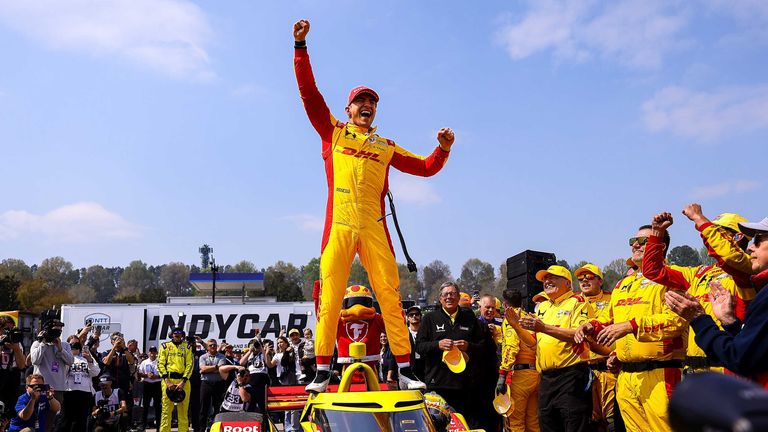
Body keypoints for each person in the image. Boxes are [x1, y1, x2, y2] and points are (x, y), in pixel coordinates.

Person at [293, 18, 454, 393]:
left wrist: (442, 149)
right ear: (348, 108)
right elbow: (309, 94)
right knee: (330, 299)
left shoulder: (386, 146)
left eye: (372, 102)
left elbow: (425, 168)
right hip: (339, 225)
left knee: (390, 298)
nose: (367, 105)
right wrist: (300, 47)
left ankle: (404, 369)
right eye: (361, 101)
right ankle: (323, 370)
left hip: (375, 227)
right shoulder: (332, 132)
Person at [575, 226, 687, 432]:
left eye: (643, 241)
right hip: (626, 377)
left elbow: (676, 322)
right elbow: (610, 319)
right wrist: (592, 326)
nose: (635, 245)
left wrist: (630, 326)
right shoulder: (622, 284)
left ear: (660, 245)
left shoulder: (672, 276)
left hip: (661, 374)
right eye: (632, 241)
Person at [643, 209, 755, 376]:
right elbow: (653, 270)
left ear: (738, 237)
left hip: (726, 370)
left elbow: (730, 258)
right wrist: (657, 234)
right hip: (693, 370)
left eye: (717, 231)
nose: (708, 235)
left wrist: (699, 219)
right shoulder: (699, 273)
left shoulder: (748, 273)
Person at [665, 218, 768, 388]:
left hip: (726, 371)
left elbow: (741, 357)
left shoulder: (744, 275)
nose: (751, 247)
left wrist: (698, 319)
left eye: (758, 240)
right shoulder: (701, 272)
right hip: (704, 367)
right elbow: (752, 347)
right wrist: (731, 323)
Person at [519, 265, 604, 432]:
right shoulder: (542, 307)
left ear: (567, 283)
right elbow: (533, 342)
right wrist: (516, 326)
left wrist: (544, 328)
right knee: (547, 425)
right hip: (546, 380)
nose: (547, 281)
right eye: (545, 279)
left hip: (571, 377)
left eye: (552, 277)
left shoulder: (577, 302)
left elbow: (579, 334)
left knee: (574, 425)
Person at [415, 282, 485, 429]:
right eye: (445, 294)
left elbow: (483, 348)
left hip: (464, 385)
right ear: (440, 298)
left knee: (464, 426)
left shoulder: (470, 319)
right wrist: (437, 345)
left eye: (452, 294)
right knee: (437, 426)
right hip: (438, 384)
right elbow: (419, 347)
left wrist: (468, 346)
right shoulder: (429, 319)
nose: (449, 297)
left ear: (458, 297)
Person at [573, 263, 618, 432]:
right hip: (583, 372)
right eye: (580, 279)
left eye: (589, 277)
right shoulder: (573, 302)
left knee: (612, 420)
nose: (584, 281)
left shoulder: (613, 298)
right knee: (590, 421)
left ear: (600, 281)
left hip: (609, 369)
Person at [498, 289, 539, 432]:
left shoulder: (510, 318)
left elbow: (511, 346)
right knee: (533, 422)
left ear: (505, 304)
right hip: (535, 374)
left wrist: (502, 373)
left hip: (520, 377)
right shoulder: (527, 317)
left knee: (515, 422)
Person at [30, 319, 72, 432]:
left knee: (52, 420)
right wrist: (43, 343)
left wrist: (60, 348)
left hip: (58, 388)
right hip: (41, 387)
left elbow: (70, 361)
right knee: (38, 417)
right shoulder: (37, 344)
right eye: (55, 330)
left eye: (60, 330)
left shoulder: (65, 345)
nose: (58, 332)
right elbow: (35, 360)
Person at [60, 335, 99, 432]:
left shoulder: (86, 356)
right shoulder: (65, 356)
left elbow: (96, 372)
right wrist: (69, 355)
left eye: (77, 344)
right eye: (72, 344)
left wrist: (89, 360)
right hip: (69, 391)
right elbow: (61, 373)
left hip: (85, 392)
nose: (75, 346)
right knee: (66, 419)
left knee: (81, 420)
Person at [157, 327, 193, 432]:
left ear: (182, 335)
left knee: (183, 410)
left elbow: (190, 364)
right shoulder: (165, 346)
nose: (177, 335)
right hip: (168, 380)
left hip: (183, 381)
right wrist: (167, 381)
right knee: (166, 410)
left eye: (179, 333)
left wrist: (183, 381)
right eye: (175, 333)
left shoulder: (187, 347)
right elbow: (160, 364)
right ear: (171, 334)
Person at [100, 332, 135, 425]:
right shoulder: (106, 352)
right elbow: (106, 362)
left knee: (126, 408)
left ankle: (127, 426)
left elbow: (131, 361)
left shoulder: (126, 352)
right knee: (112, 406)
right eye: (116, 339)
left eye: (120, 339)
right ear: (111, 341)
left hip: (124, 385)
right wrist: (114, 348)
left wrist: (124, 347)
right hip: (112, 386)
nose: (118, 341)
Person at [0, 316, 26, 425]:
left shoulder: (17, 343)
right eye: (6, 329)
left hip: (11, 382)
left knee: (6, 417)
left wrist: (16, 349)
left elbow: (22, 366)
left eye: (12, 329)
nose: (9, 332)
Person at [238, 339, 271, 417]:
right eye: (253, 345)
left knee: (263, 406)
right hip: (251, 381)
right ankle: (249, 420)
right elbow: (241, 362)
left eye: (257, 346)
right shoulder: (249, 355)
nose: (255, 347)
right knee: (250, 405)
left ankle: (264, 421)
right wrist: (250, 351)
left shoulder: (263, 353)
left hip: (262, 381)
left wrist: (261, 348)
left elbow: (268, 363)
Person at [199, 338, 226, 431]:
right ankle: (202, 429)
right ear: (207, 347)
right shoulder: (203, 357)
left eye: (214, 345)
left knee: (217, 407)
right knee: (203, 408)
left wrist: (207, 370)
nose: (213, 346)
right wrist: (216, 367)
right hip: (206, 384)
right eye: (211, 345)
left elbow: (221, 369)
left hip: (218, 384)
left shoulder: (222, 356)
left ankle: (217, 428)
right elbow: (202, 369)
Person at [137, 346, 161, 430]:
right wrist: (147, 375)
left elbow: (164, 374)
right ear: (148, 353)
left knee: (158, 406)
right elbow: (140, 373)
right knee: (145, 406)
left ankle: (159, 426)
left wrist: (156, 377)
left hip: (157, 384)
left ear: (156, 353)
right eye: (151, 351)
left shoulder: (160, 361)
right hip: (147, 384)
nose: (152, 353)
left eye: (154, 351)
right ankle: (143, 425)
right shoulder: (144, 362)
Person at [405, 306, 425, 381]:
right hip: (408, 369)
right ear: (407, 318)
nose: (414, 316)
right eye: (411, 315)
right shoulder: (404, 333)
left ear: (420, 317)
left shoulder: (426, 332)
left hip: (424, 369)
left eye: (416, 314)